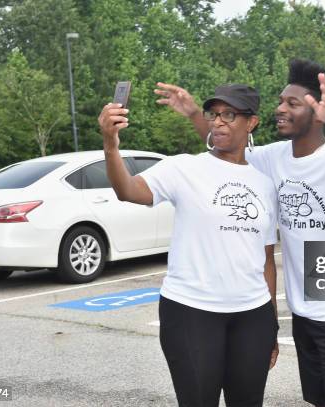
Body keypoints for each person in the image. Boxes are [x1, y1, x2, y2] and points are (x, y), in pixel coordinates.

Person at [155, 59, 325, 406]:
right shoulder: (273, 157)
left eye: (291, 103)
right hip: (305, 307)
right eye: (281, 101)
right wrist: (195, 114)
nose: (279, 109)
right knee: (317, 399)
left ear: (317, 113)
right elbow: (228, 146)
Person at [98, 84, 280, 407]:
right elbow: (128, 190)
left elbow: (266, 258)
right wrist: (110, 145)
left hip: (253, 317)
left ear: (251, 122)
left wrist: (272, 324)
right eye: (214, 114)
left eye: (230, 114)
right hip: (191, 313)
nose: (219, 122)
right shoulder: (183, 168)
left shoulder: (264, 184)